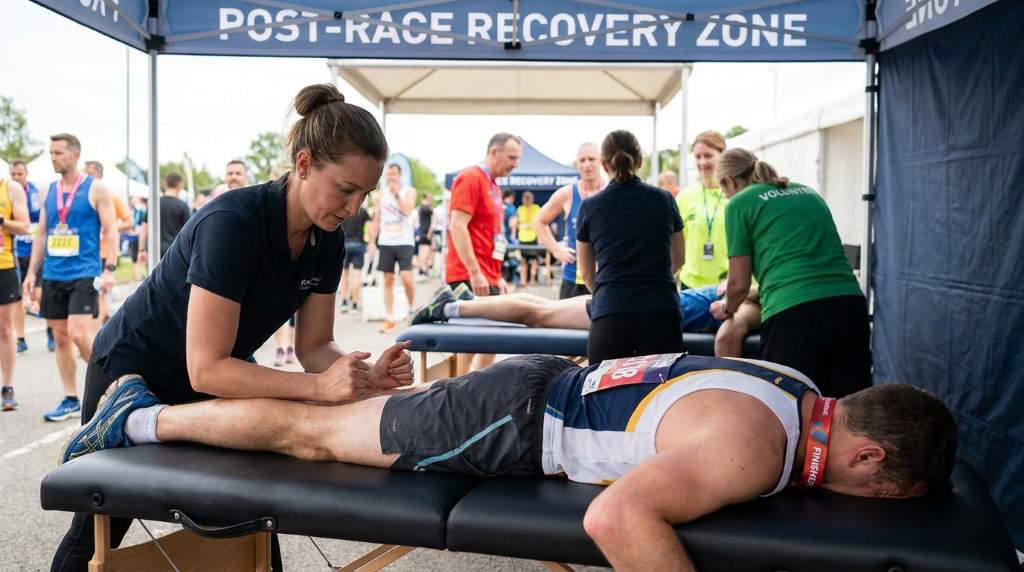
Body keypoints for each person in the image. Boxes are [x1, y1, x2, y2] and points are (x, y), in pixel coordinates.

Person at [64, 353, 958, 572]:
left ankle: (149, 417)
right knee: (315, 436)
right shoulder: (755, 444)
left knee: (326, 423)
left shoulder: (795, 387)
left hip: (535, 396)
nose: (869, 504)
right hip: (510, 421)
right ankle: (142, 422)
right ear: (868, 452)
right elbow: (618, 519)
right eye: (884, 493)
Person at [47, 84, 413, 572]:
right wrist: (318, 389)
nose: (353, 208)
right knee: (101, 527)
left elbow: (315, 345)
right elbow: (208, 369)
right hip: (131, 375)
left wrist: (360, 378)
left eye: (363, 194)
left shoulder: (327, 240)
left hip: (214, 378)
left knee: (251, 511)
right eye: (346, 189)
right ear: (303, 164)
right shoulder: (233, 223)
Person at [711, 149, 870, 398]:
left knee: (790, 407)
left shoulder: (739, 204)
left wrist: (727, 308)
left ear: (729, 182)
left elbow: (738, 283)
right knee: (850, 407)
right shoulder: (809, 193)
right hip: (849, 306)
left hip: (794, 315)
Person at [23, 135, 118, 423]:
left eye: (59, 153)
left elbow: (111, 229)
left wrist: (110, 268)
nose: (53, 157)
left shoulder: (95, 188)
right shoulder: (48, 190)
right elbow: (41, 234)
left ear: (75, 155)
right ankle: (71, 398)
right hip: (53, 274)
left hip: (84, 272)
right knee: (61, 338)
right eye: (51, 152)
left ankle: (113, 387)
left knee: (79, 333)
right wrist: (32, 273)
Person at [411, 283, 762, 357]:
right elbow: (729, 333)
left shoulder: (739, 290)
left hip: (627, 301)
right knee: (537, 314)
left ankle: (468, 302)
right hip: (625, 306)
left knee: (539, 306)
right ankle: (449, 309)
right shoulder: (749, 305)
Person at [576, 130, 685, 363]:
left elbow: (586, 272)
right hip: (661, 311)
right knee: (662, 395)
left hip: (611, 311)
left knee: (605, 396)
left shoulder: (590, 206)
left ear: (605, 165)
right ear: (640, 161)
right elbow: (679, 258)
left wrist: (609, 291)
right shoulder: (665, 199)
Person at [445, 133, 521, 374]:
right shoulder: (471, 177)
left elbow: (493, 235)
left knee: (491, 339)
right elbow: (458, 226)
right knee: (469, 342)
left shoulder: (494, 185)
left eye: (517, 158)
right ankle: (460, 397)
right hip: (468, 275)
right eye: (511, 157)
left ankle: (475, 391)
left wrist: (496, 275)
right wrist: (475, 272)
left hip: (488, 276)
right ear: (494, 152)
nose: (515, 164)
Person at [535, 143, 606, 299]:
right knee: (566, 324)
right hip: (573, 279)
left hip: (606, 279)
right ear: (577, 164)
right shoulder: (568, 193)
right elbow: (539, 221)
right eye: (582, 160)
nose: (587, 164)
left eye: (592, 159)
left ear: (601, 161)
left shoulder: (611, 191)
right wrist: (556, 250)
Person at [674, 131, 730, 291]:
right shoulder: (685, 196)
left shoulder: (734, 195)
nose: (702, 162)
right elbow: (676, 242)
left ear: (722, 156)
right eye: (698, 156)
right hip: (690, 285)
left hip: (726, 285)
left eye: (708, 155)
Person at [83, 161, 133, 325]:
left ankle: (98, 336)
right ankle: (104, 326)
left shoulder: (111, 196)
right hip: (87, 254)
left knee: (99, 293)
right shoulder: (82, 197)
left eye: (89, 174)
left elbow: (129, 221)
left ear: (99, 175)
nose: (86, 177)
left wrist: (110, 229)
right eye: (84, 173)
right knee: (94, 296)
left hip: (105, 253)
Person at [372, 163, 417, 333]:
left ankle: (412, 309)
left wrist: (397, 194)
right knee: (387, 280)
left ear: (400, 175)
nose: (391, 177)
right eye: (388, 174)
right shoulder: (380, 194)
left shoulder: (409, 191)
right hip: (386, 241)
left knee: (406, 277)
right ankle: (389, 318)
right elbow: (377, 218)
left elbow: (407, 211)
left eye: (394, 174)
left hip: (404, 240)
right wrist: (371, 241)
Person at [0, 176, 30, 411]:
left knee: (4, 328)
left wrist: (2, 220)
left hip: (4, 265)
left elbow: (24, 226)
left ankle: (7, 386)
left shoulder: (10, 188)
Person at [10, 159, 43, 353]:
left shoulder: (35, 193)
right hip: (16, 252)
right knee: (17, 298)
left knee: (39, 293)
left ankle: (49, 328)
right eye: (12, 174)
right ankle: (21, 338)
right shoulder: (7, 193)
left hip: (35, 252)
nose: (16, 178)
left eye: (19, 174)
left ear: (26, 174)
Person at [339, 204, 371, 313]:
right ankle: (355, 303)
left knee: (344, 273)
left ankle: (344, 301)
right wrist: (370, 242)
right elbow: (369, 228)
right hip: (358, 244)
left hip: (344, 244)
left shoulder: (342, 209)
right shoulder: (363, 211)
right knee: (357, 274)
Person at [158, 172, 192, 258]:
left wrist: (142, 249)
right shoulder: (183, 206)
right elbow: (188, 232)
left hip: (154, 248)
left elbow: (144, 227)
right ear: (179, 185)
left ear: (165, 184)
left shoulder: (155, 204)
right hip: (174, 251)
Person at [516, 191, 541, 287]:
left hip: (533, 238)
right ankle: (523, 281)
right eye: (525, 199)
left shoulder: (537, 208)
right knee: (523, 261)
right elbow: (517, 224)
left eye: (528, 198)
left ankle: (532, 280)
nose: (527, 201)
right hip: (523, 238)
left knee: (534, 261)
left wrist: (540, 237)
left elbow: (540, 223)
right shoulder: (520, 209)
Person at [415, 194, 434, 279]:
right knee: (424, 254)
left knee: (422, 252)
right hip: (426, 234)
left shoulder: (421, 208)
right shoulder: (426, 208)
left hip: (422, 233)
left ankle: (421, 271)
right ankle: (423, 271)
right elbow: (433, 221)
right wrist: (429, 233)